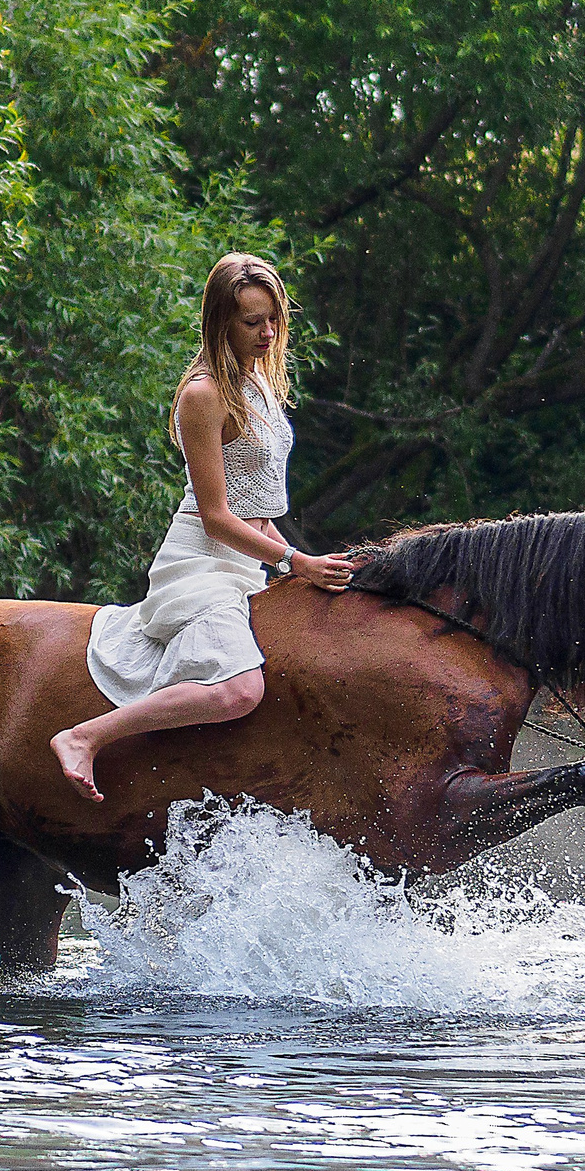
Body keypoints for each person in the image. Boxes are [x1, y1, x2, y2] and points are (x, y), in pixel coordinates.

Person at [52, 253, 357, 802]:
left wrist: (299, 564)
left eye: (274, 319)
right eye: (252, 322)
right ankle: (84, 736)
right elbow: (217, 517)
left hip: (248, 562)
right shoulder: (204, 394)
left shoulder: (259, 383)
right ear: (221, 323)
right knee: (240, 691)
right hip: (200, 562)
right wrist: (295, 561)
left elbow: (257, 507)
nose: (268, 334)